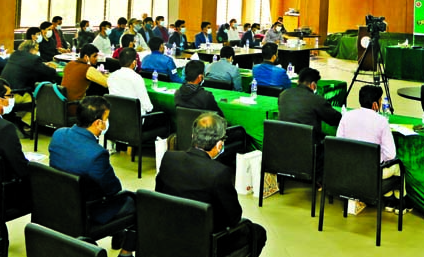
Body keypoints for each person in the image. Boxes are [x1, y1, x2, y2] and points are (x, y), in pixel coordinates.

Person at [156, 113, 267, 256]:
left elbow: (158, 194)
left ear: (193, 137)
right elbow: (234, 217)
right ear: (219, 144)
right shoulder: (219, 173)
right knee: (257, 232)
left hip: (169, 232)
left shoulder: (169, 158)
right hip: (206, 242)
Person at [49, 97, 137, 256]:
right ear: (98, 123)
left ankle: (118, 235)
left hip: (57, 203)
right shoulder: (97, 154)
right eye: (106, 119)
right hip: (87, 212)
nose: (107, 122)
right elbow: (113, 190)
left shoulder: (58, 134)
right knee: (135, 201)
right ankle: (126, 252)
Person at [337, 85, 403, 212]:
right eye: (380, 100)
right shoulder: (381, 121)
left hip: (349, 169)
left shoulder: (346, 116)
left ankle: (389, 199)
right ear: (375, 105)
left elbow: (340, 143)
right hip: (372, 172)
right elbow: (391, 154)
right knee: (398, 166)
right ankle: (398, 203)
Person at [278, 67, 341, 141]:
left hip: (283, 142)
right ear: (313, 85)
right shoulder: (316, 99)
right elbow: (335, 119)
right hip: (307, 146)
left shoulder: (283, 94)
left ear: (298, 82)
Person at [61, 44, 109, 113]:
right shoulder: (87, 69)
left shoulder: (69, 64)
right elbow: (106, 83)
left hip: (64, 107)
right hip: (76, 108)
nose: (97, 58)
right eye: (94, 56)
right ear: (86, 57)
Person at [108, 48, 153, 114]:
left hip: (116, 118)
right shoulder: (136, 78)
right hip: (136, 119)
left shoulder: (111, 76)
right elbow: (148, 107)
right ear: (134, 62)